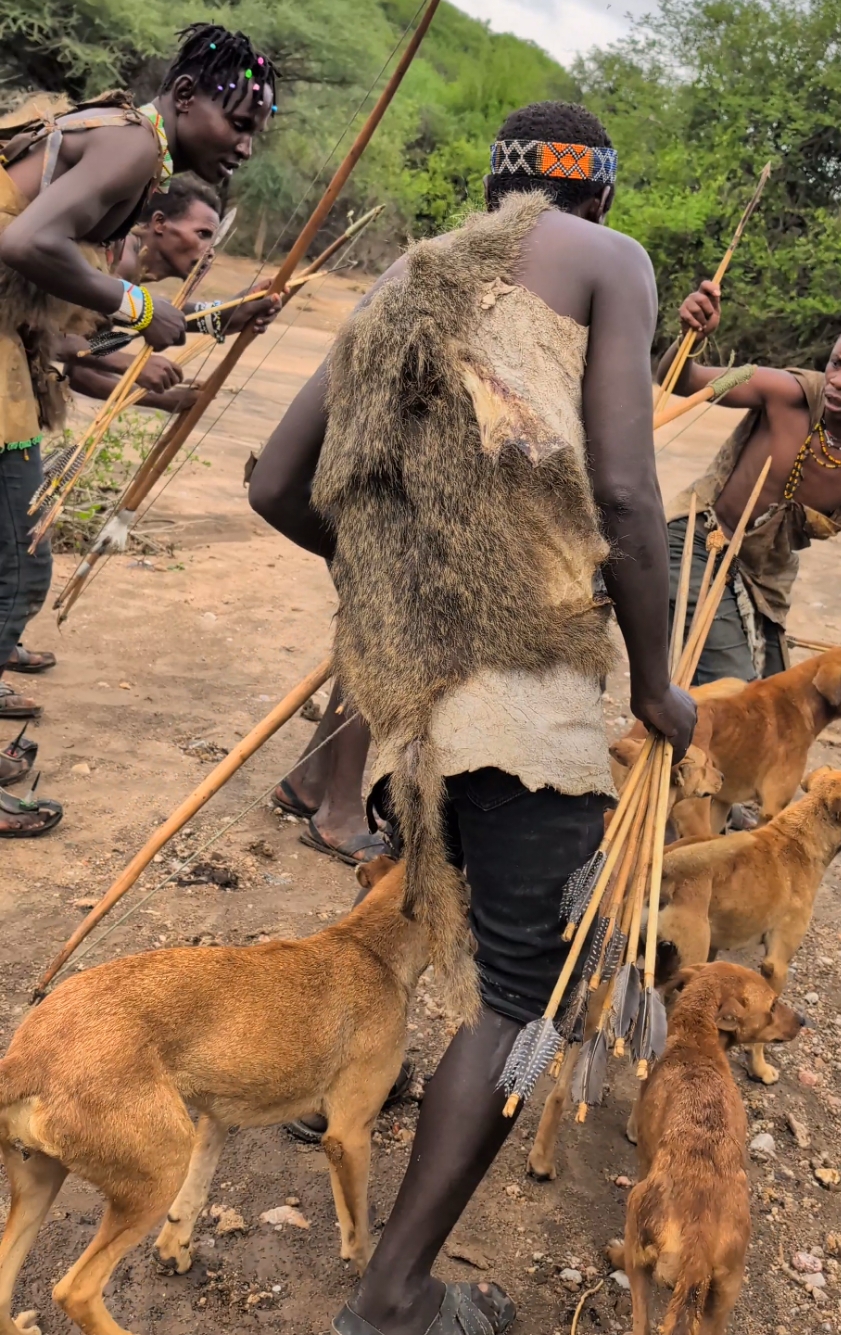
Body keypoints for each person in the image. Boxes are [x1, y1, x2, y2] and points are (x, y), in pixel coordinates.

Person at [251, 100, 696, 1335]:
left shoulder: (406, 276)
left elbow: (274, 484)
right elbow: (622, 486)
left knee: (474, 944)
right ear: (595, 192)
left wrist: (397, 589)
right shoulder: (609, 261)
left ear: (498, 187)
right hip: (519, 698)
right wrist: (657, 682)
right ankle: (393, 1295)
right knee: (524, 991)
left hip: (412, 702)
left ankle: (341, 1105)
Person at [0, 22, 277, 835]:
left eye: (256, 131)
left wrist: (207, 318)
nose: (246, 146)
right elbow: (25, 240)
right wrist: (136, 305)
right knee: (10, 554)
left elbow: (71, 333)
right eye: (239, 122)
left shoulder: (130, 149)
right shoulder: (129, 144)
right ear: (185, 98)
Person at [658, 282, 841, 689]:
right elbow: (678, 379)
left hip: (763, 579)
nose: (840, 381)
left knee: (779, 701)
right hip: (697, 547)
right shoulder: (784, 392)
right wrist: (692, 336)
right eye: (836, 364)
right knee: (737, 694)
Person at [64, 174, 281, 414]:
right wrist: (139, 371)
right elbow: (51, 344)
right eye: (202, 234)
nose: (209, 252)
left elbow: (87, 360)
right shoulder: (116, 259)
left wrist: (223, 314)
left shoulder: (128, 261)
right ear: (159, 223)